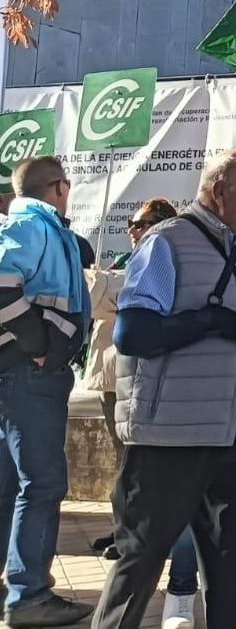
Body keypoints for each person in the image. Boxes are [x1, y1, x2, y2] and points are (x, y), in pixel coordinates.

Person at [93, 151, 236, 629]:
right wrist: (219, 322)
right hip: (171, 438)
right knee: (142, 558)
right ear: (218, 191)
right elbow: (134, 334)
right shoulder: (166, 244)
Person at [0, 157, 94, 626]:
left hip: (22, 376)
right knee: (43, 484)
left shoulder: (35, 227)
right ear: (59, 186)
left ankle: (18, 591)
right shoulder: (31, 225)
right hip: (29, 377)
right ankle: (29, 595)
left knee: (11, 485)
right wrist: (39, 345)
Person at [86, 197, 179, 559]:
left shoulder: (160, 259)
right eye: (131, 224)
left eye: (139, 224)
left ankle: (139, 537)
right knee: (125, 464)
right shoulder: (127, 260)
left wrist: (91, 280)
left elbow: (112, 294)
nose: (132, 231)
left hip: (139, 376)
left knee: (141, 466)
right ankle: (124, 529)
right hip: (112, 378)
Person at [107, 199, 179, 270]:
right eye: (130, 224)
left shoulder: (177, 267)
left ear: (161, 227)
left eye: (139, 225)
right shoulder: (122, 261)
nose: (130, 231)